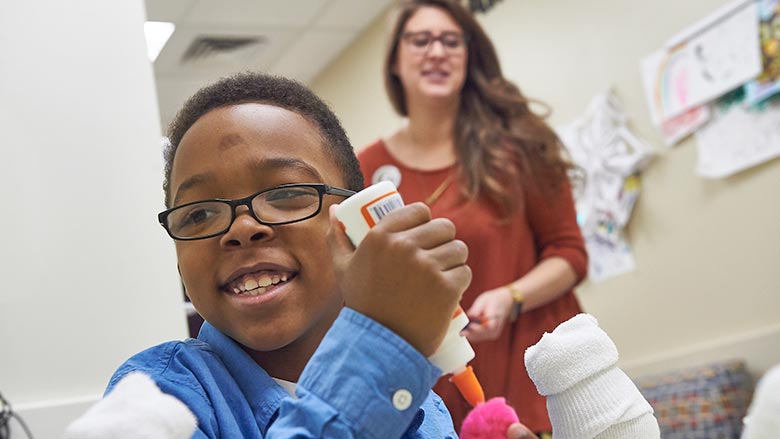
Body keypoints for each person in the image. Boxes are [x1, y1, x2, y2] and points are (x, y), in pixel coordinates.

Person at [102, 72, 537, 439]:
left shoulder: (421, 404)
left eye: (287, 192)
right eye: (198, 213)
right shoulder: (157, 399)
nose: (242, 228)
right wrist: (377, 348)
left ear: (360, 226)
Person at [358, 0, 588, 435]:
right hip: (435, 394)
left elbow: (570, 252)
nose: (437, 52)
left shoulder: (518, 146)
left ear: (469, 55)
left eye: (451, 41)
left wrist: (510, 297)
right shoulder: (366, 170)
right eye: (420, 40)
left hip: (534, 378)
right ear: (394, 61)